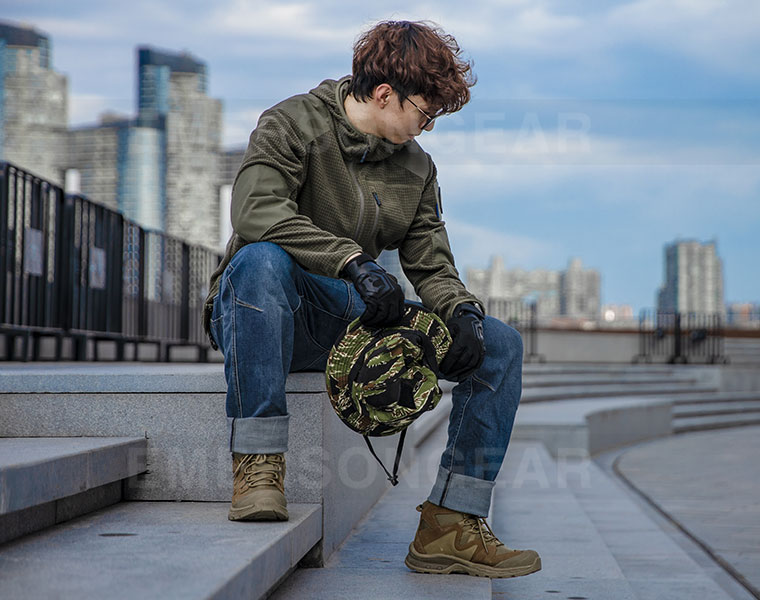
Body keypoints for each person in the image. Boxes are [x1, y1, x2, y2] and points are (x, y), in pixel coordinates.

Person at [203, 20, 541, 578]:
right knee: (260, 258)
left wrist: (460, 313)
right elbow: (255, 211)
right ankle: (258, 466)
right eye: (424, 114)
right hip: (266, 311)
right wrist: (351, 261)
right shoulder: (292, 123)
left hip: (353, 318)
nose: (427, 129)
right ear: (384, 94)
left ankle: (451, 522)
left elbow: (430, 259)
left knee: (499, 343)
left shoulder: (416, 167)